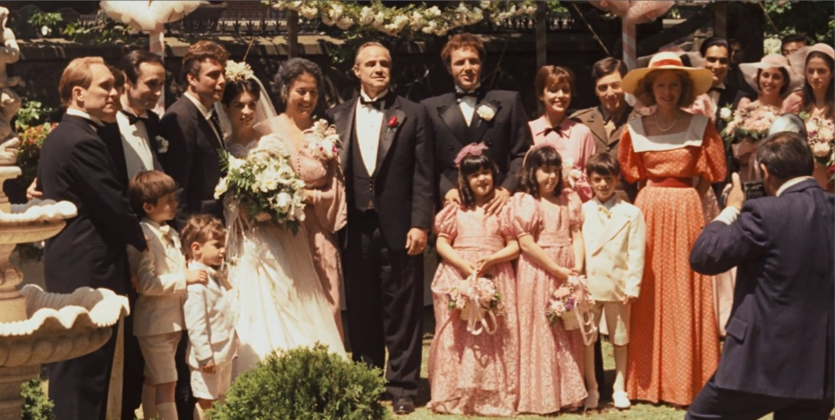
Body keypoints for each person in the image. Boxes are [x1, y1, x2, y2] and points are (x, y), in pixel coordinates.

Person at [687, 128, 834, 420]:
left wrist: (731, 209)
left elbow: (704, 256)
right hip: (824, 365)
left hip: (762, 361)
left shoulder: (765, 213)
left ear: (764, 171)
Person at [217, 59, 346, 377]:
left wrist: (270, 205)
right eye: (238, 105)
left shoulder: (271, 142)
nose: (246, 111)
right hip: (237, 237)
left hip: (273, 232)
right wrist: (239, 211)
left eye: (251, 104)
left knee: (286, 299)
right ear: (226, 108)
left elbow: (286, 184)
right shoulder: (220, 145)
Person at [327, 42, 434, 415]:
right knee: (361, 308)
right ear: (356, 70)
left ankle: (403, 386)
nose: (378, 69)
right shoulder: (336, 116)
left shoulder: (413, 114)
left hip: (400, 227)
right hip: (353, 227)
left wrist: (420, 223)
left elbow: (424, 174)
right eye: (370, 63)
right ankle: (367, 382)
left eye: (384, 63)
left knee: (403, 310)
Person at [37, 56, 147, 420]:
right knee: (86, 368)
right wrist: (146, 241)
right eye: (106, 86)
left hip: (71, 260)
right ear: (79, 93)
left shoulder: (64, 134)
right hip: (90, 265)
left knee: (80, 368)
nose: (115, 92)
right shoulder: (80, 140)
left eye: (115, 86)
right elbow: (111, 203)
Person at [619, 51, 726, 406]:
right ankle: (646, 383)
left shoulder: (701, 126)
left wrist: (688, 204)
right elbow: (633, 176)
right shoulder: (633, 128)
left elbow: (709, 177)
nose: (667, 92)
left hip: (685, 210)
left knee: (683, 288)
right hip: (648, 209)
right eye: (661, 85)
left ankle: (687, 380)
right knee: (648, 287)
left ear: (684, 89)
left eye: (674, 85)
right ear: (650, 89)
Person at [427, 145, 519, 417]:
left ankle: (490, 394)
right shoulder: (456, 209)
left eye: (486, 172)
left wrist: (491, 260)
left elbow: (514, 245)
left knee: (493, 334)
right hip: (459, 274)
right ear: (464, 180)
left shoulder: (502, 207)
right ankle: (459, 392)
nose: (482, 179)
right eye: (475, 175)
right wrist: (462, 264)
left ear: (494, 173)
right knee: (461, 337)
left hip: (494, 273)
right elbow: (442, 243)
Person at [126, 170, 208, 420]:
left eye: (174, 198)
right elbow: (147, 283)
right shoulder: (143, 236)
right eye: (168, 201)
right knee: (167, 383)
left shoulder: (171, 233)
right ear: (148, 206)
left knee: (155, 381)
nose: (175, 205)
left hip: (171, 321)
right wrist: (184, 279)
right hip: (155, 324)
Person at [511, 143, 587, 414]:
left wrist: (576, 266)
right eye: (545, 170)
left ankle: (569, 393)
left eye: (555, 170)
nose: (551, 177)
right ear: (532, 171)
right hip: (539, 269)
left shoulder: (568, 199)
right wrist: (556, 270)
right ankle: (542, 395)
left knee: (567, 329)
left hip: (567, 267)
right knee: (541, 328)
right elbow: (527, 244)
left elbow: (576, 233)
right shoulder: (526, 201)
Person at [422, 33, 531, 213]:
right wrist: (446, 190)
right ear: (449, 68)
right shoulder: (429, 108)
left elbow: (522, 153)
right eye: (459, 63)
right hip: (453, 203)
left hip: (498, 202)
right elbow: (425, 161)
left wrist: (507, 189)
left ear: (481, 64)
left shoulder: (508, 102)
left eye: (473, 61)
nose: (468, 68)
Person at [580, 152, 646, 410]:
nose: (603, 185)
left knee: (620, 338)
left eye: (608, 179)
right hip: (590, 287)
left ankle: (619, 386)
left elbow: (636, 252)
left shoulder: (631, 213)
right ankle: (593, 388)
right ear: (589, 180)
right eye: (598, 179)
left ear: (617, 178)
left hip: (618, 285)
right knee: (588, 339)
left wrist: (632, 285)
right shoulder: (582, 211)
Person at [160, 41, 228, 229]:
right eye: (213, 75)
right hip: (197, 227)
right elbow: (176, 187)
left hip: (214, 223)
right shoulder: (180, 117)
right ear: (192, 78)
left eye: (223, 74)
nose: (222, 81)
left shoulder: (208, 113)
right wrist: (186, 236)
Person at [181, 215, 238, 420]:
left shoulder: (214, 276)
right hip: (208, 357)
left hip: (223, 352)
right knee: (207, 402)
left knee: (222, 398)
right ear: (196, 248)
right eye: (217, 245)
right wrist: (205, 355)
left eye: (223, 245)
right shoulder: (197, 283)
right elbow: (196, 323)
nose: (223, 250)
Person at [571, 57, 638, 203]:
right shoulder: (580, 122)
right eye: (603, 87)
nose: (610, 93)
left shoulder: (641, 122)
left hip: (628, 205)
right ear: (595, 90)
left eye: (616, 85)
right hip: (588, 206)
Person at [529, 65, 595, 201]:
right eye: (553, 90)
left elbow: (591, 179)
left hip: (574, 208)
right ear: (541, 94)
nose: (560, 96)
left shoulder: (582, 132)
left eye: (565, 90)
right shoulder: (528, 130)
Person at [735, 54, 801, 183]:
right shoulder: (746, 107)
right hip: (747, 172)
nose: (769, 81)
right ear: (758, 77)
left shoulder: (788, 110)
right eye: (765, 75)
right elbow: (734, 149)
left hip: (779, 175)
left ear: (785, 81)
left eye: (776, 77)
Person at [783, 43, 834, 191]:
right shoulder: (795, 101)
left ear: (832, 72)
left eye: (821, 71)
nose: (815, 76)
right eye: (810, 71)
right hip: (801, 178)